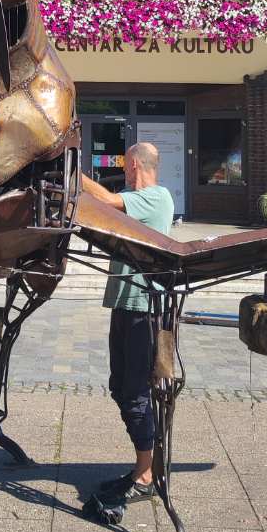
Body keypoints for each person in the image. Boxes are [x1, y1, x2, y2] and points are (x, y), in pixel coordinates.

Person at [79, 141, 175, 505]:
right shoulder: (135, 202)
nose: (123, 170)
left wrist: (72, 174)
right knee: (120, 386)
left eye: (125, 165)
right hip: (125, 306)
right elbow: (100, 213)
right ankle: (143, 464)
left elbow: (105, 200)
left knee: (135, 392)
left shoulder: (157, 197)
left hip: (143, 310)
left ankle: (146, 474)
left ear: (134, 164)